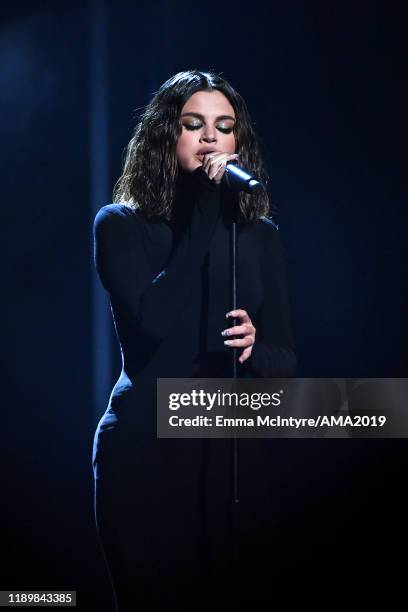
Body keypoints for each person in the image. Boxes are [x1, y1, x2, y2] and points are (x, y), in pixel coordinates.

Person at [92, 70, 297, 612]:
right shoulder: (121, 225)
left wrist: (257, 349)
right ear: (167, 135)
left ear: (238, 143)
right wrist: (206, 209)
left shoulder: (261, 237)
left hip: (232, 454)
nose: (210, 137)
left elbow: (285, 362)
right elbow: (153, 324)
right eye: (194, 124)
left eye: (224, 127)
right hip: (145, 454)